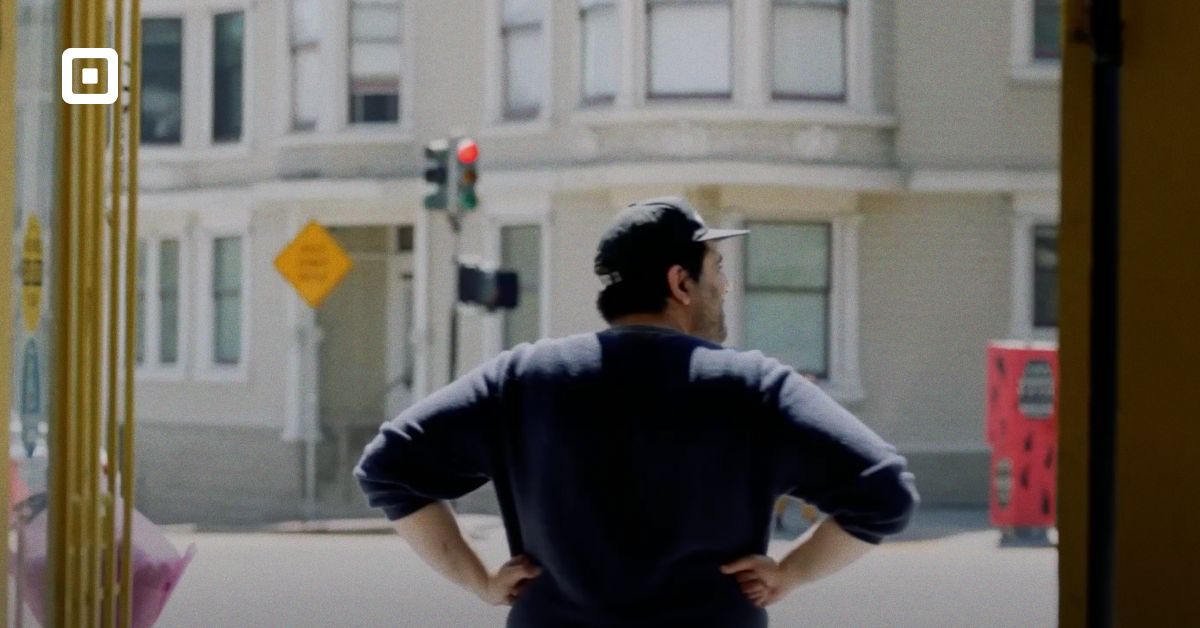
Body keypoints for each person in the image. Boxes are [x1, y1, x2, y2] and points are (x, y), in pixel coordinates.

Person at [354, 197, 919, 628]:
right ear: (680, 282)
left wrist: (480, 580)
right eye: (716, 268)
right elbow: (885, 493)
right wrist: (790, 573)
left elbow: (388, 469)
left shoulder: (522, 377)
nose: (725, 285)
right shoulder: (755, 387)